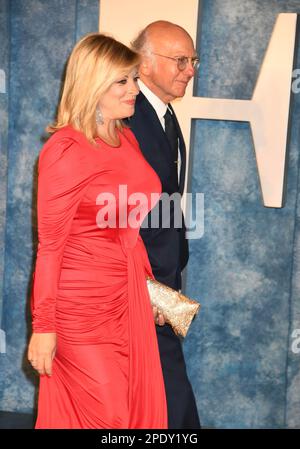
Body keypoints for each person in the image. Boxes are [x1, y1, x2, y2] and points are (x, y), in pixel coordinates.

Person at [27, 32, 167, 429]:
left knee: (131, 411)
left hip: (125, 297)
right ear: (93, 84)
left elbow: (126, 229)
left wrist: (147, 286)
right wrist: (44, 328)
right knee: (110, 415)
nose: (135, 90)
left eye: (134, 79)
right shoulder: (66, 149)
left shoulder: (127, 138)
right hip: (79, 307)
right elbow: (50, 247)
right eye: (122, 81)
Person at [129, 21, 201, 429]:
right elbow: (119, 212)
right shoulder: (129, 116)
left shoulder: (165, 117)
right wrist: (146, 284)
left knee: (156, 394)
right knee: (170, 399)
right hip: (140, 285)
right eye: (180, 60)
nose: (189, 69)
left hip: (161, 283)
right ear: (145, 62)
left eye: (192, 60)